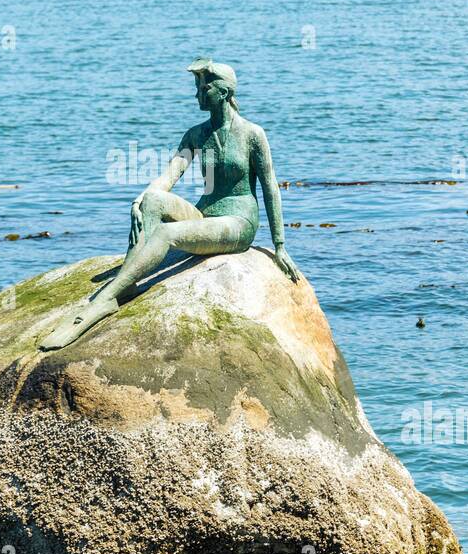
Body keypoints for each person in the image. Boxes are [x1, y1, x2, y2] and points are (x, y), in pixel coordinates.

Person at [40, 58, 300, 350]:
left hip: (238, 223)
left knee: (165, 234)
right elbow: (169, 176)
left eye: (204, 88)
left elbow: (270, 188)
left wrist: (279, 245)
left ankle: (103, 300)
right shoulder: (196, 134)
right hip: (205, 215)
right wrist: (140, 199)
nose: (197, 95)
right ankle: (128, 283)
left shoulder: (252, 134)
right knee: (152, 202)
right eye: (197, 88)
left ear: (224, 93)